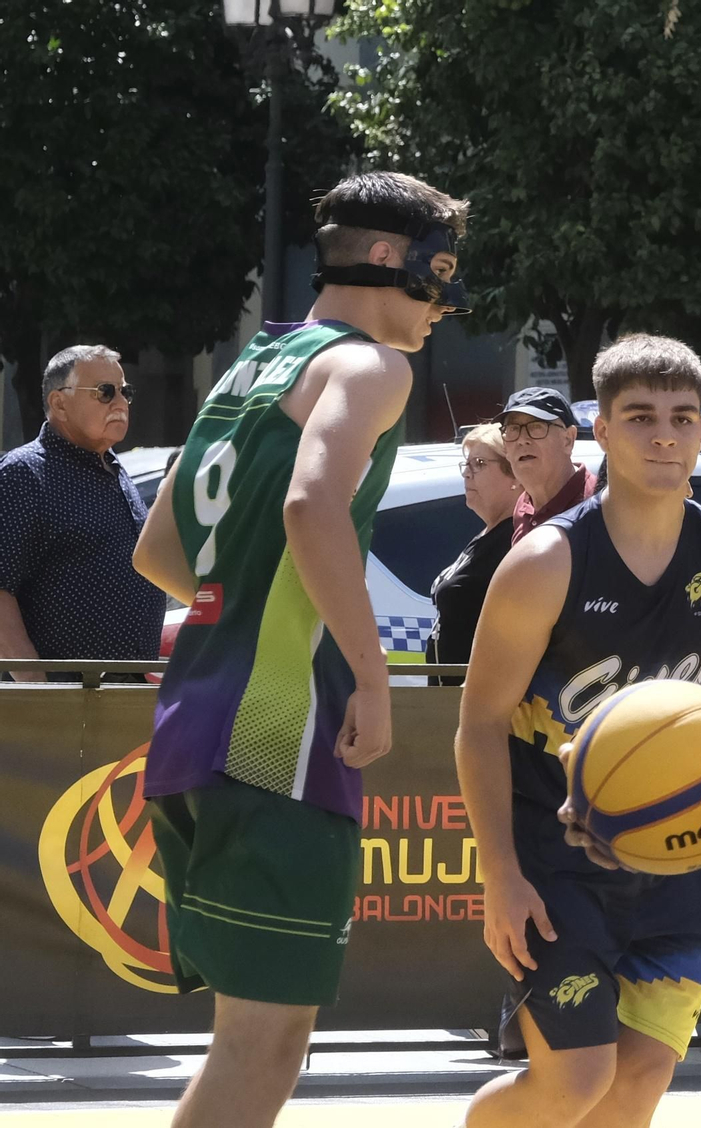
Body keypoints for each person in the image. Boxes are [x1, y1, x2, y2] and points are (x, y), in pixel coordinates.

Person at [129, 170, 469, 1128]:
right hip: (276, 725)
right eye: (439, 281)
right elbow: (311, 504)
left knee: (250, 1037)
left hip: (195, 718)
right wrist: (367, 669)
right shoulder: (371, 367)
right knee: (266, 1041)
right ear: (388, 261)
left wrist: (242, 611)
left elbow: (161, 551)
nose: (445, 309)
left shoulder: (256, 365)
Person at [453, 334, 701, 1128]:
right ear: (600, 430)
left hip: (667, 858)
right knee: (576, 1081)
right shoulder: (547, 563)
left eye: (682, 417)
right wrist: (501, 877)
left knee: (637, 1088)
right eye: (640, 416)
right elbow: (479, 725)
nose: (665, 434)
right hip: (552, 862)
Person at [0, 345, 162, 682]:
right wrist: (39, 694)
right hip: (61, 708)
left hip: (123, 699)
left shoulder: (113, 470)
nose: (119, 403)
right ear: (59, 402)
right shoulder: (25, 473)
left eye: (124, 391)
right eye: (105, 392)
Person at [427, 422, 525, 686]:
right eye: (467, 464)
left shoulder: (516, 540)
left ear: (515, 475)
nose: (467, 474)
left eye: (479, 463)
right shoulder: (486, 534)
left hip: (474, 697)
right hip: (444, 697)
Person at [503, 386, 596, 543]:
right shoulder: (523, 506)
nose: (522, 439)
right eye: (513, 429)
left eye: (536, 427)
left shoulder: (599, 506)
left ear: (568, 440)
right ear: (505, 448)